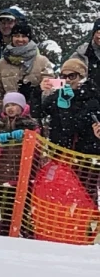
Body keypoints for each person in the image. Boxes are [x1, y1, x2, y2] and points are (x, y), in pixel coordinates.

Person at [32, 56, 100, 205]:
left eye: (72, 76)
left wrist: (65, 107)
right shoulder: (59, 95)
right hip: (60, 154)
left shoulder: (92, 99)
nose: (67, 80)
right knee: (60, 197)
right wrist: (38, 92)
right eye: (63, 76)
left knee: (85, 199)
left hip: (84, 158)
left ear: (82, 77)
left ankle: (87, 228)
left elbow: (72, 127)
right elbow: (37, 113)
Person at [0, 92, 40, 237]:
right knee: (7, 213)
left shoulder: (32, 125)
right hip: (4, 177)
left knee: (24, 214)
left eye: (14, 105)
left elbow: (38, 148)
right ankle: (6, 238)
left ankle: (29, 238)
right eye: (7, 105)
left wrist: (27, 139)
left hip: (26, 177)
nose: (10, 108)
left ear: (22, 107)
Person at [0, 20, 52, 112]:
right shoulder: (2, 62)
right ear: (12, 38)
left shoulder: (42, 61)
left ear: (29, 39)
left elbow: (50, 86)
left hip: (34, 112)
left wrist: (37, 90)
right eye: (16, 36)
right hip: (9, 113)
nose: (20, 39)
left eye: (23, 36)